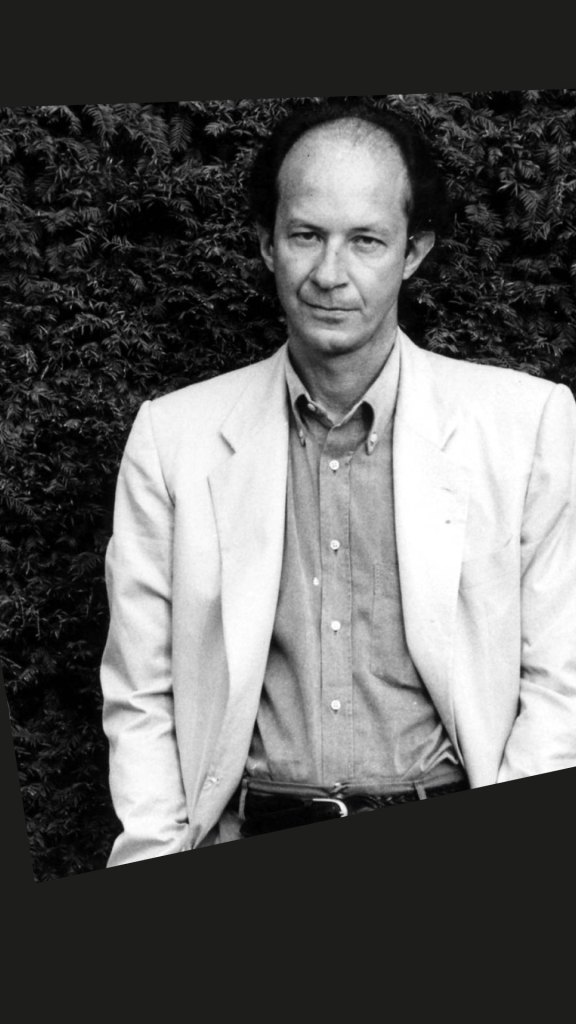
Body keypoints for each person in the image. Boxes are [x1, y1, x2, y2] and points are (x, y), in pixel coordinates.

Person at [100, 100, 576, 867]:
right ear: (267, 244)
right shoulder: (174, 438)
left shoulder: (528, 426)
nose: (330, 273)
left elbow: (561, 683)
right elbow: (140, 694)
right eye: (305, 236)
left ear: (413, 252)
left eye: (365, 241)